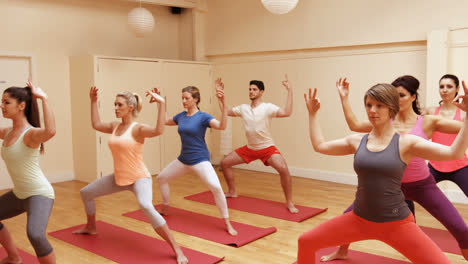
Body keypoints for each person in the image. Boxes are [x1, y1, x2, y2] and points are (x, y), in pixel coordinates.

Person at [298, 82, 468, 264]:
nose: (372, 110)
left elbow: (453, 153)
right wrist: (313, 114)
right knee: (305, 241)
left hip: (397, 224)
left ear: (391, 109)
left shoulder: (407, 142)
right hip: (359, 219)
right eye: (369, 105)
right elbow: (320, 146)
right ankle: (342, 251)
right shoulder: (357, 141)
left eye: (379, 106)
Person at [73, 87, 188, 264]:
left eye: (119, 105)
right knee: (86, 193)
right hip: (119, 178)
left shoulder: (138, 128)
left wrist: (161, 104)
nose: (116, 108)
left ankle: (177, 249)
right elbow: (96, 124)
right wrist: (93, 101)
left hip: (138, 178)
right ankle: (91, 227)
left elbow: (158, 130)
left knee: (145, 205)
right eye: (115, 104)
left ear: (130, 108)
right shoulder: (114, 126)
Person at [156, 84, 237, 236]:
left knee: (216, 188)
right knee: (161, 178)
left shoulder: (203, 117)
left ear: (195, 99)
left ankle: (227, 223)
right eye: (182, 98)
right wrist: (161, 103)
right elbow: (165, 121)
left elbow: (221, 126)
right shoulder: (181, 116)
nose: (184, 101)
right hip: (183, 160)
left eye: (187, 98)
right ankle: (165, 207)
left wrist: (224, 104)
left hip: (200, 160)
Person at [218, 76, 298, 213]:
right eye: (250, 89)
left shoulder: (267, 107)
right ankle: (232, 192)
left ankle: (289, 202)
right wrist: (220, 97)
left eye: (254, 89)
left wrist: (290, 91)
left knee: (284, 169)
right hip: (250, 148)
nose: (251, 91)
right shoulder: (243, 108)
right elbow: (227, 111)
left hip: (267, 148)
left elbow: (287, 112)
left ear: (261, 92)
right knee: (224, 163)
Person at [0, 81, 56, 264]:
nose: (2, 106)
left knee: (35, 234)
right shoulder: (8, 132)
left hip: (39, 193)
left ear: (21, 106)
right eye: (2, 102)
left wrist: (44, 98)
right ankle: (14, 257)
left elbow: (51, 131)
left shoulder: (30, 134)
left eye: (7, 102)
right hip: (20, 194)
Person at [424, 74, 468, 197]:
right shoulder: (430, 111)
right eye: (441, 86)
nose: (444, 90)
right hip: (434, 165)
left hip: (459, 165)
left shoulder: (464, 114)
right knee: (408, 192)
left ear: (457, 89)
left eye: (449, 86)